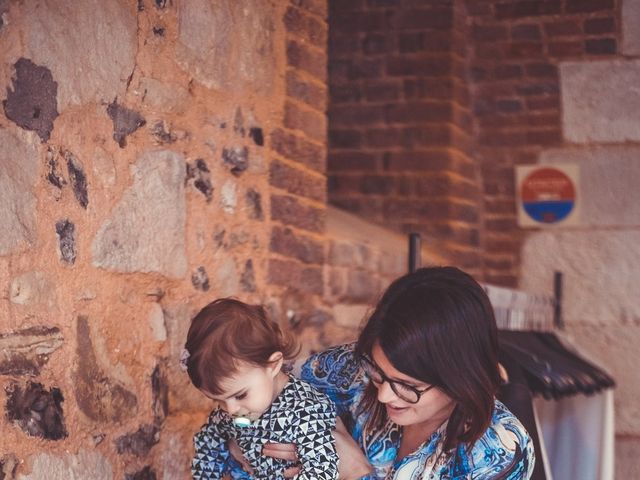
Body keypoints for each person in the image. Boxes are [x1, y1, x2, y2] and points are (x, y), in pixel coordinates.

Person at [264, 266, 535, 479]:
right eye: (378, 373)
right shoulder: (349, 369)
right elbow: (261, 387)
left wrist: (356, 471)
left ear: (458, 376)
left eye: (406, 385)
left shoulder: (498, 453)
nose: (382, 395)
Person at [183, 298, 339, 479]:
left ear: (272, 365)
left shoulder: (304, 411)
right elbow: (208, 441)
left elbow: (322, 470)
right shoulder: (235, 411)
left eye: (240, 395)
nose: (230, 410)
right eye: (218, 400)